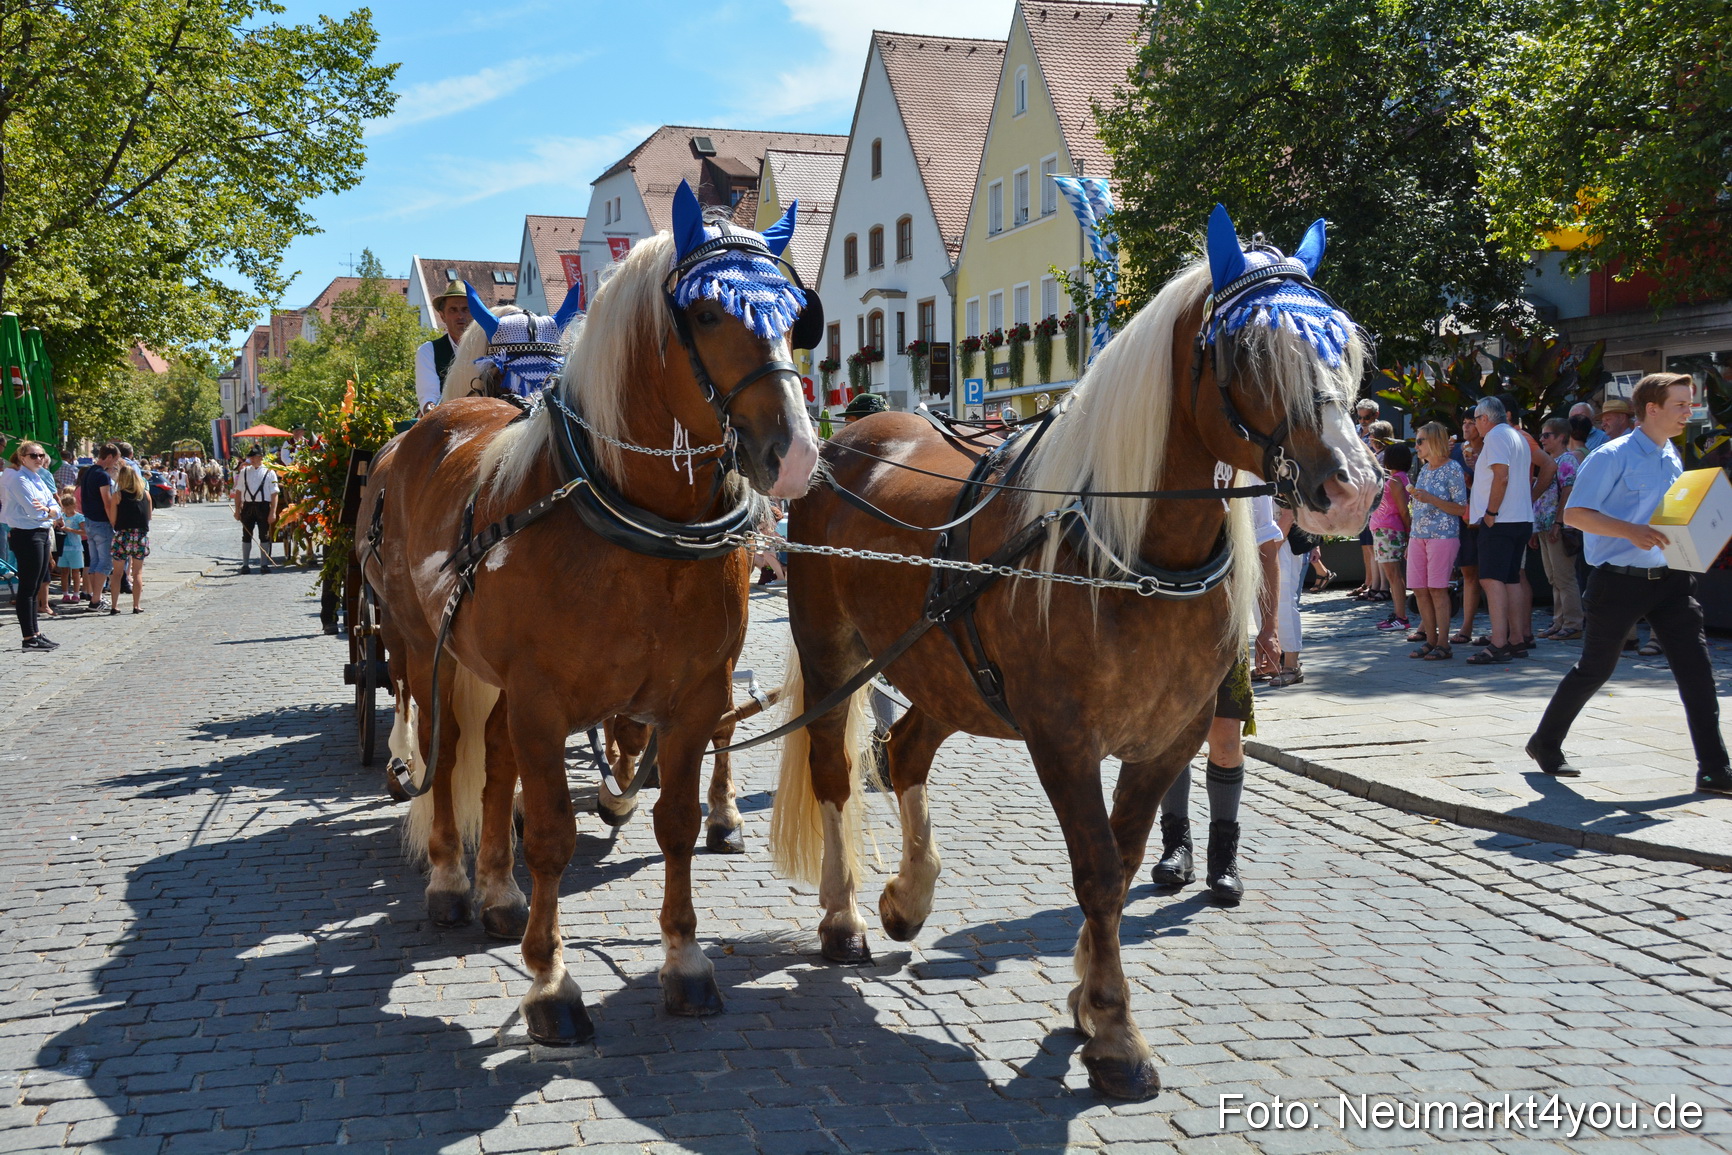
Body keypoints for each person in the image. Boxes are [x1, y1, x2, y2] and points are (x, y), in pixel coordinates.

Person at [1527, 373, 1729, 794]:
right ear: (1651, 409)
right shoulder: (1610, 456)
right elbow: (1575, 514)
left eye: (1689, 404)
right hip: (1617, 582)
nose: (1688, 412)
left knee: (1697, 672)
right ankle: (1544, 743)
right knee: (1595, 670)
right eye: (1680, 404)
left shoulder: (1670, 453)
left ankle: (1713, 769)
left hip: (1672, 580)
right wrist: (1629, 531)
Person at [1151, 491, 1283, 904]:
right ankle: (1177, 847)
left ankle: (1224, 860)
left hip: (1223, 627)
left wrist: (1269, 626)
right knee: (1171, 739)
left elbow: (1265, 548)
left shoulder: (1247, 472)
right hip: (1163, 624)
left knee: (1225, 741)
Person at [1465, 397, 1533, 665]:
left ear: (1485, 418)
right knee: (1510, 579)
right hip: (1519, 518)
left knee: (1492, 580)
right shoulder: (1516, 436)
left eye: (1476, 420)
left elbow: (1501, 476)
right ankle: (1515, 639)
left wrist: (1491, 512)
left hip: (1502, 520)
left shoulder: (1495, 436)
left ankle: (1499, 642)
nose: (1475, 426)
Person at [1406, 423, 1467, 659]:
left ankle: (1444, 643)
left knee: (1437, 589)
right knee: (1420, 590)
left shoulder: (1452, 469)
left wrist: (1431, 498)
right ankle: (1430, 641)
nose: (1417, 446)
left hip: (1442, 536)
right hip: (1418, 536)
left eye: (1420, 441)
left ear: (1433, 441)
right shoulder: (1425, 469)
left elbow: (1461, 507)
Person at [2, 441, 60, 650]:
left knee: (36, 585)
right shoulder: (17, 478)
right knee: (28, 587)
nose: (39, 459)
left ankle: (35, 632)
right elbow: (34, 511)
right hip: (27, 534)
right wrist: (48, 510)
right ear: (22, 457)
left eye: (41, 455)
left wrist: (49, 510)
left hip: (41, 532)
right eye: (33, 455)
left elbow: (55, 507)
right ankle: (28, 638)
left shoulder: (36, 477)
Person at [1535, 416, 1584, 640]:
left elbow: (1568, 491)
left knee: (1564, 577)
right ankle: (1559, 621)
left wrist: (1558, 522)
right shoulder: (1550, 461)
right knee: (1553, 577)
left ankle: (1573, 623)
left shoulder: (1566, 460)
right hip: (1545, 526)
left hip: (1558, 527)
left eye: (1547, 435)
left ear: (1561, 437)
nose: (1542, 439)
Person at [1369, 442, 1412, 632]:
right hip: (1388, 530)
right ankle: (1398, 615)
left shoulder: (1395, 481)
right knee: (1395, 576)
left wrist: (1409, 532)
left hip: (1388, 531)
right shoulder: (1401, 479)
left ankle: (1401, 617)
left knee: (1394, 576)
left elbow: (1403, 510)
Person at [414, 281, 474, 412]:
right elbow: (429, 397)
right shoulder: (428, 351)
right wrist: (431, 410)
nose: (460, 316)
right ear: (442, 316)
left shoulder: (491, 348)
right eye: (453, 310)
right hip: (444, 421)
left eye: (466, 309)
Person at [105, 461, 151, 614]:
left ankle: (114, 606)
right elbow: (149, 516)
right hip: (140, 536)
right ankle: (136, 605)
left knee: (117, 573)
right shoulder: (146, 494)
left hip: (122, 535)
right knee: (137, 572)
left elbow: (113, 519)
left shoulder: (117, 495)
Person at [79, 444, 120, 605]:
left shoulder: (88, 471)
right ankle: (96, 599)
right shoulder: (102, 475)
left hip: (89, 521)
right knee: (105, 562)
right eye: (115, 459)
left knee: (94, 561)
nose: (115, 463)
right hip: (101, 522)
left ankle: (93, 595)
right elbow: (107, 502)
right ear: (109, 457)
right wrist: (113, 521)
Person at [233, 445, 280, 573]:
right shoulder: (244, 472)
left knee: (264, 536)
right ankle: (245, 564)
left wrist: (273, 512)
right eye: (251, 457)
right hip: (248, 506)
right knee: (246, 535)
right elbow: (238, 492)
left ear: (260, 458)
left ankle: (264, 564)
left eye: (254, 457)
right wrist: (237, 510)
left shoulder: (270, 472)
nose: (251, 459)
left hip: (263, 506)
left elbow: (274, 494)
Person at [56, 492, 85, 605]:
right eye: (65, 507)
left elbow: (84, 532)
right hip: (63, 548)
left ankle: (76, 594)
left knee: (76, 572)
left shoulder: (79, 517)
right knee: (64, 572)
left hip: (75, 548)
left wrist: (70, 530)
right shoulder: (61, 517)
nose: (67, 509)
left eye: (69, 507)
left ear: (74, 505)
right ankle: (65, 594)